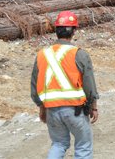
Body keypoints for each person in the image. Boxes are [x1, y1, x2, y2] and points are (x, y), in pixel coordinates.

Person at [30, 11, 99, 159]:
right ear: (74, 31)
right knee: (83, 147)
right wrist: (94, 107)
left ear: (56, 30)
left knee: (59, 144)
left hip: (51, 111)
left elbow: (36, 87)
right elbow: (89, 86)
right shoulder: (79, 54)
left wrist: (42, 109)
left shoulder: (42, 55)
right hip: (75, 111)